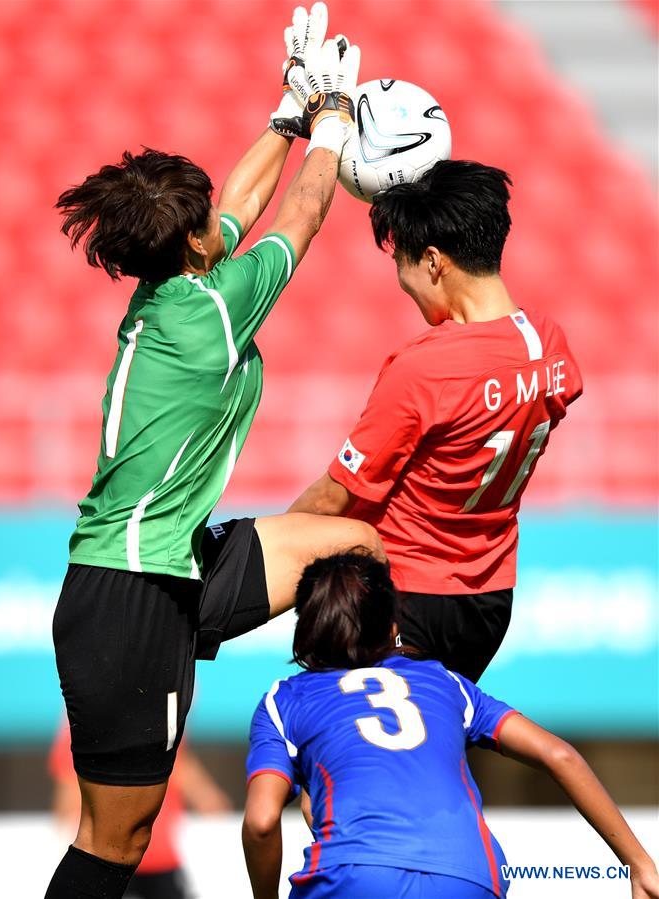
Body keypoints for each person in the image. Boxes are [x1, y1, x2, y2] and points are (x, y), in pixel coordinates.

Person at [43, 10, 383, 898]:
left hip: (165, 567)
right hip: (131, 597)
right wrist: (337, 117)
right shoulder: (214, 312)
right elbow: (303, 212)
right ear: (193, 245)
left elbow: (236, 204)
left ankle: (371, 738)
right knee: (114, 843)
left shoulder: (177, 287)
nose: (218, 224)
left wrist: (290, 109)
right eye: (206, 224)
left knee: (351, 542)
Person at [289, 160, 583, 683]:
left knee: (361, 756)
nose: (404, 283)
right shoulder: (550, 348)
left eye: (400, 263)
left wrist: (266, 545)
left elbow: (335, 497)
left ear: (432, 261)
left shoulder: (427, 368)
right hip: (488, 603)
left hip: (404, 598)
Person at [243, 552, 659, 899]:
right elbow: (559, 754)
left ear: (306, 627)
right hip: (469, 873)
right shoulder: (445, 682)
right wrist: (638, 865)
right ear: (393, 625)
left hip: (354, 875)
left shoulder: (284, 700)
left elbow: (262, 822)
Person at [49, 717, 231, 899]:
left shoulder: (82, 734)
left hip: (117, 855)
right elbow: (198, 787)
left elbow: (66, 804)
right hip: (139, 854)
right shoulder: (156, 726)